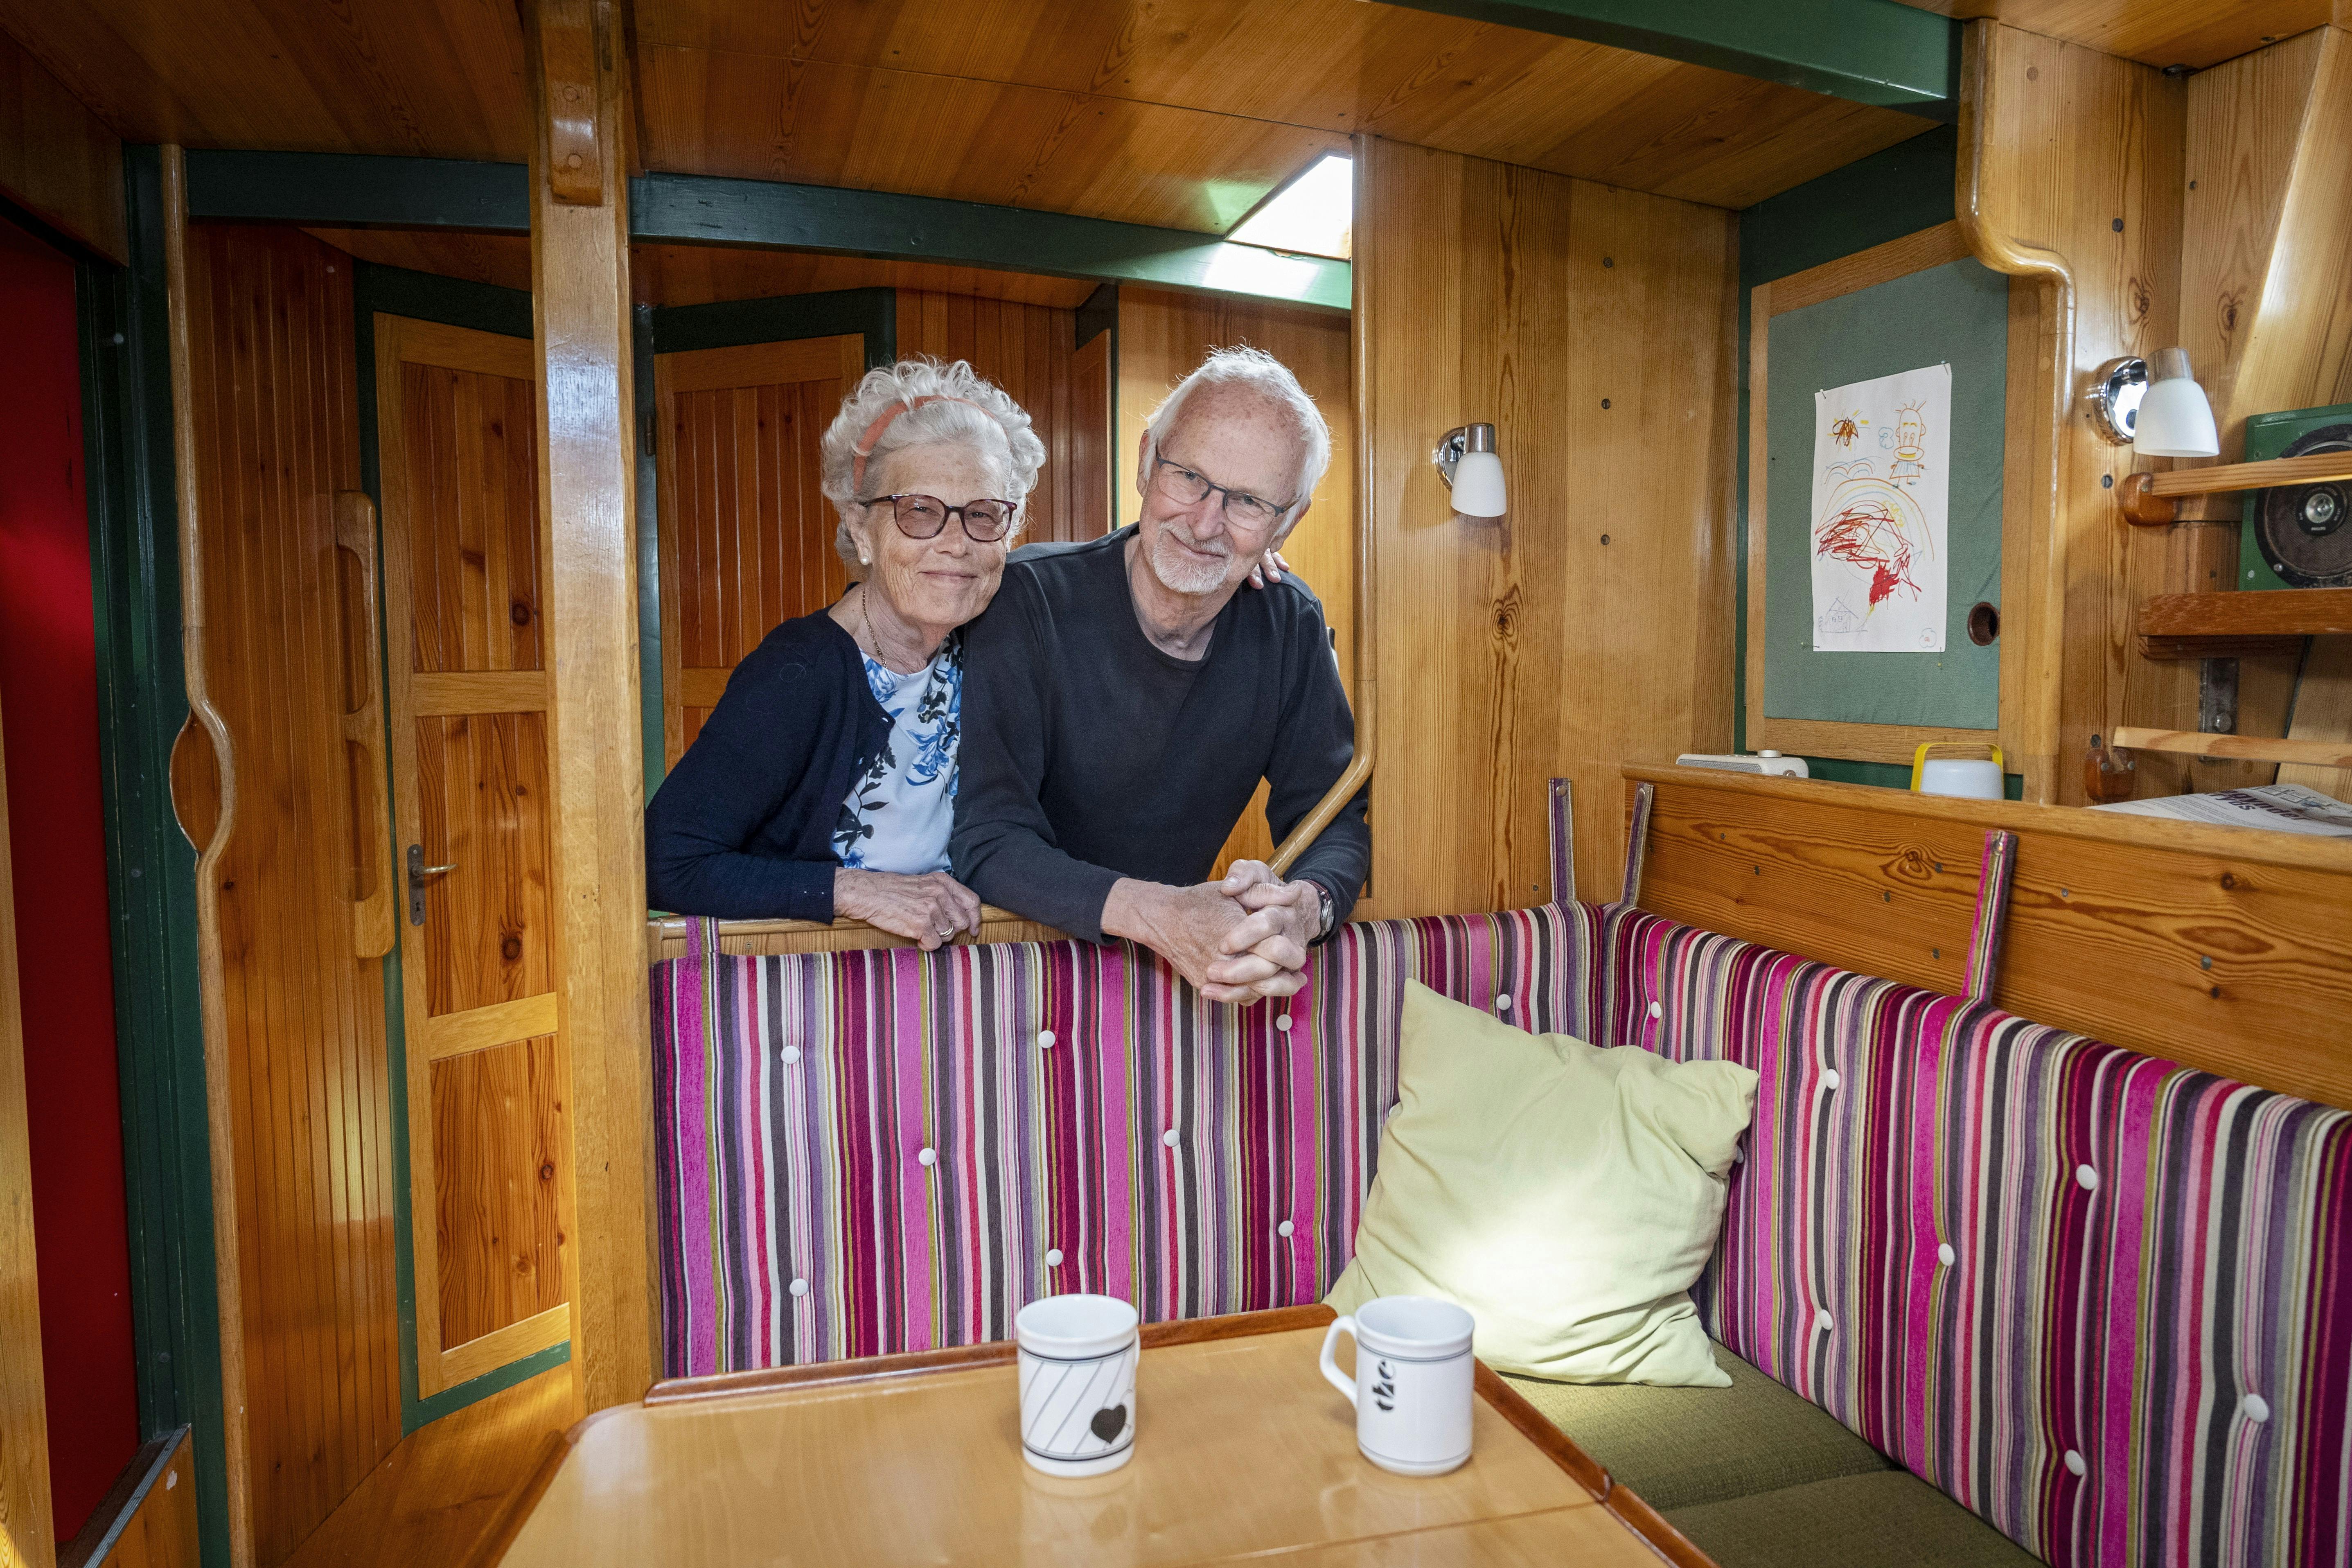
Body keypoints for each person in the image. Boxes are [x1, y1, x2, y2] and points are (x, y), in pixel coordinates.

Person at [951, 346, 1368, 1002]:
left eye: (1248, 502)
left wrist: (1305, 908)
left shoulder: (1289, 624)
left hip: (1165, 984)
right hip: (1005, 970)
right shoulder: (1026, 600)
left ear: (1286, 522)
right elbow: (986, 837)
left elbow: (1335, 818)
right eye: (1189, 476)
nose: (1205, 523)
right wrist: (1164, 914)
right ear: (1147, 462)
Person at [643, 358, 1043, 948]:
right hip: (818, 985)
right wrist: (854, 890)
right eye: (920, 511)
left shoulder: (1000, 649)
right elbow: (665, 861)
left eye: (982, 515)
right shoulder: (798, 673)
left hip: (962, 980)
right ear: (862, 529)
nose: (956, 544)